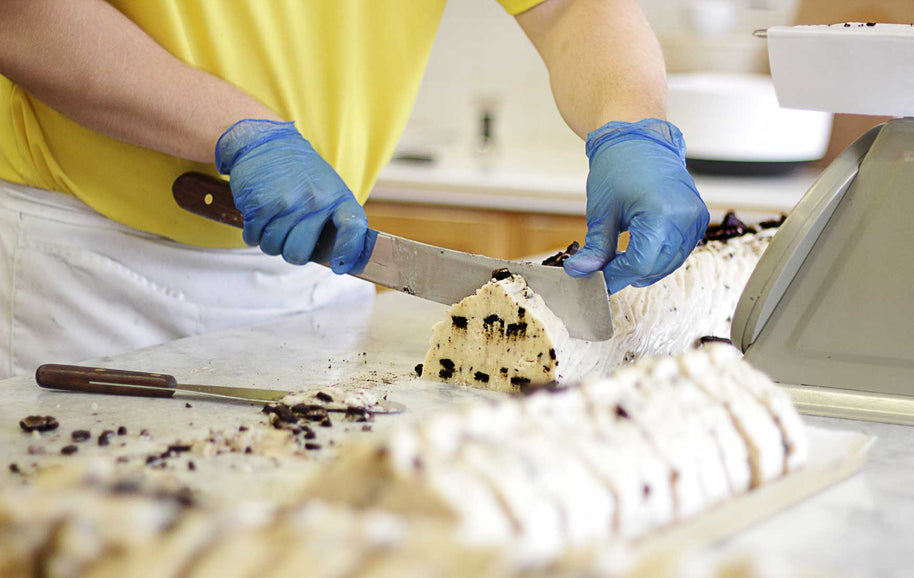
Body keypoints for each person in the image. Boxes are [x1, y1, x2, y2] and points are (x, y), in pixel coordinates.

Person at [0, 0, 709, 380]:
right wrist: (238, 129)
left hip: (313, 275)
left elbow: (567, 7)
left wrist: (634, 126)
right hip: (83, 273)